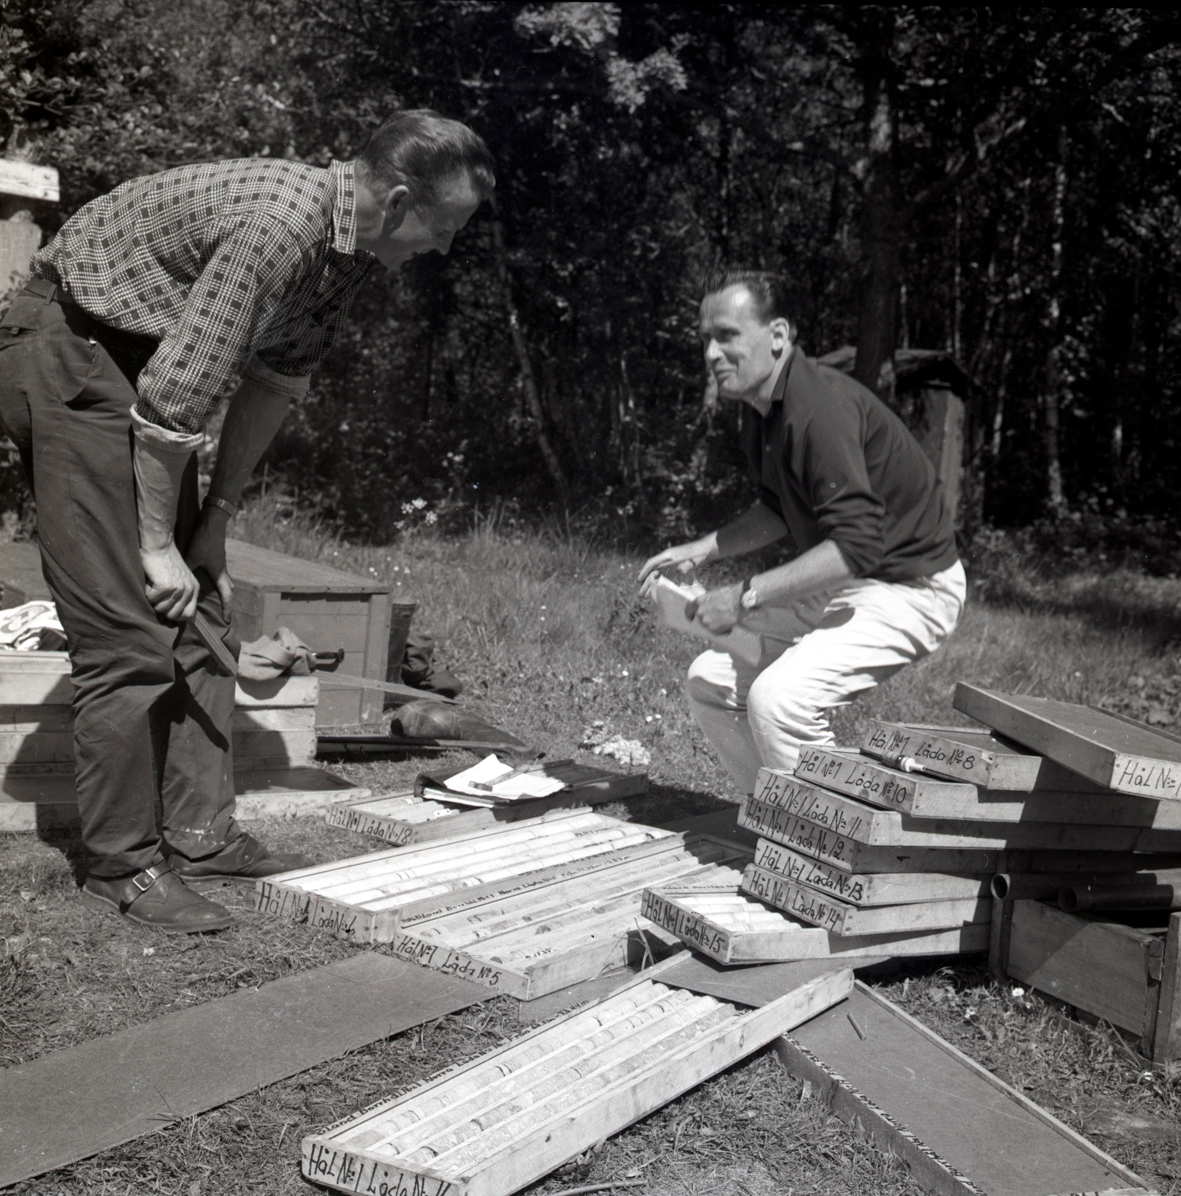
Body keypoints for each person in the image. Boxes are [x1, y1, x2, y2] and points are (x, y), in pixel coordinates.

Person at [0, 110, 495, 932]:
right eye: (446, 228)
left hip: (138, 366)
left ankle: (197, 834)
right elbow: (171, 404)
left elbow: (273, 382)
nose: (444, 249)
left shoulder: (349, 257)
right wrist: (156, 543)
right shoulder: (280, 227)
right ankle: (121, 865)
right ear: (401, 198)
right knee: (129, 626)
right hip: (68, 347)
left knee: (203, 606)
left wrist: (212, 524)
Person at [639, 270, 965, 796]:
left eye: (726, 336)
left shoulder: (818, 409)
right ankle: (777, 827)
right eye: (706, 339)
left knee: (778, 702)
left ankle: (841, 848)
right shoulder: (762, 408)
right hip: (854, 576)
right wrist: (704, 549)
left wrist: (743, 598)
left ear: (778, 336)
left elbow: (857, 547)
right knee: (709, 683)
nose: (711, 354)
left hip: (912, 586)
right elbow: (780, 508)